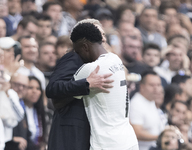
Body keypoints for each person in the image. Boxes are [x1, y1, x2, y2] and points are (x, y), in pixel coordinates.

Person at [46, 19, 114, 150]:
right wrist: (87, 84)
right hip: (70, 137)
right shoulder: (73, 57)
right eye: (97, 35)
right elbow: (52, 88)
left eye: (103, 35)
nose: (102, 39)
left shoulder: (104, 63)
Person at [71, 21, 138, 149]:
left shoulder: (90, 69)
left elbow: (63, 93)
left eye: (77, 51)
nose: (77, 56)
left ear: (85, 47)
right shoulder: (116, 59)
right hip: (129, 140)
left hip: (106, 144)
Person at [130, 70, 164, 150]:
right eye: (152, 85)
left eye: (158, 85)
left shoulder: (151, 100)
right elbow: (136, 132)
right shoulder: (136, 104)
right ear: (142, 86)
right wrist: (161, 137)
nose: (156, 88)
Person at [23, 76, 46, 150]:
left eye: (38, 88)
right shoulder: (19, 109)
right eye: (30, 87)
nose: (34, 91)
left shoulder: (41, 112)